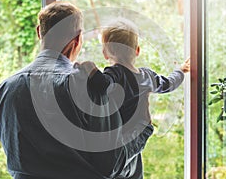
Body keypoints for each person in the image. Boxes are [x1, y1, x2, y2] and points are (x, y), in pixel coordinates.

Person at [0, 1, 153, 179]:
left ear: (39, 32)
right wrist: (143, 128)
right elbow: (111, 164)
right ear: (78, 39)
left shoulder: (7, 88)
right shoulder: (87, 86)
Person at [80, 18, 190, 177]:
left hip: (121, 132)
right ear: (137, 50)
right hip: (139, 130)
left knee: (119, 166)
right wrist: (180, 70)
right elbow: (168, 84)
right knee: (133, 166)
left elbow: (101, 85)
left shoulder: (114, 73)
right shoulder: (147, 75)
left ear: (105, 54)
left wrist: (89, 69)